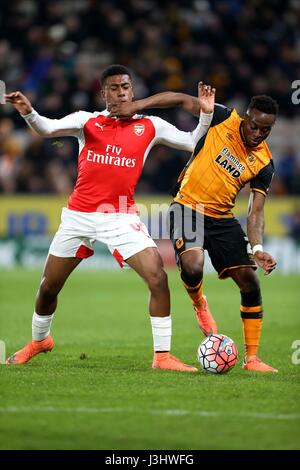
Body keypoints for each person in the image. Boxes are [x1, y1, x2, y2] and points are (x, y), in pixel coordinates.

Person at [5, 64, 216, 372]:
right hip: (78, 216)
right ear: (103, 93)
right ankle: (39, 341)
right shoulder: (86, 121)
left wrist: (206, 115)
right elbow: (46, 129)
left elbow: (192, 142)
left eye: (126, 87)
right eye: (115, 88)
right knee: (49, 287)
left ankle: (162, 357)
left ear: (133, 90)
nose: (122, 92)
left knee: (157, 277)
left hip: (119, 215)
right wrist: (28, 112)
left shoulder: (150, 125)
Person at [110, 91, 279, 372]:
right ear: (246, 117)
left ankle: (253, 359)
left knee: (250, 282)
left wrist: (258, 249)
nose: (258, 133)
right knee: (193, 263)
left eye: (266, 130)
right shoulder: (222, 117)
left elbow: (256, 211)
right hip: (187, 206)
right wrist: (136, 106)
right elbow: (177, 97)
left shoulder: (264, 163)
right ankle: (200, 304)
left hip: (222, 218)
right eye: (254, 126)